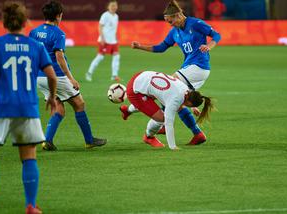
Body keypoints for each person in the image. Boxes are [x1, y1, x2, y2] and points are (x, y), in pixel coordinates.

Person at [0, 2, 57, 213]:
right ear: (26, 22)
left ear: (4, 23)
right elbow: (51, 75)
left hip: (1, 106)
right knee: (29, 157)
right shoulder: (36, 46)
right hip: (27, 109)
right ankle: (30, 205)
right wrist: (52, 98)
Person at [123, 0, 221, 145]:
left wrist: (209, 46)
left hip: (198, 67)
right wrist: (140, 47)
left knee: (168, 88)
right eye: (168, 22)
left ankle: (153, 127)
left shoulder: (195, 24)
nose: (170, 24)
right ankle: (197, 134)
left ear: (178, 15)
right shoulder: (174, 32)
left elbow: (217, 35)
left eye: (171, 21)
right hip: (190, 69)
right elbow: (161, 47)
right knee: (175, 99)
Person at [29, 0, 107, 151]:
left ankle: (47, 141)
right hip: (56, 76)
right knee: (79, 103)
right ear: (58, 16)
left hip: (39, 77)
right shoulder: (58, 33)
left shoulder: (34, 32)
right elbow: (59, 57)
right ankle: (89, 140)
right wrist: (71, 78)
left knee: (59, 108)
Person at [124, 71, 214, 150]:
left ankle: (127, 110)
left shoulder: (185, 89)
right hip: (135, 90)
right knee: (162, 118)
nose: (185, 106)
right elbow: (168, 123)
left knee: (150, 105)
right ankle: (149, 137)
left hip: (143, 75)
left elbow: (187, 99)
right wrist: (173, 146)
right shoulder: (175, 99)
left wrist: (192, 107)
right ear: (188, 100)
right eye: (188, 105)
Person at [85, 0, 121, 82]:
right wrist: (102, 38)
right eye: (112, 5)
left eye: (115, 5)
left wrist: (116, 38)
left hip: (113, 41)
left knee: (117, 56)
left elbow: (114, 29)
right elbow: (100, 26)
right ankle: (89, 73)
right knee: (100, 57)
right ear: (108, 7)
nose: (114, 7)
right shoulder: (105, 15)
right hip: (105, 40)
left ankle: (114, 75)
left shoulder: (116, 16)